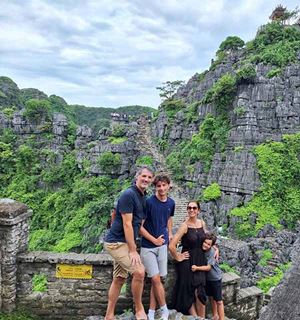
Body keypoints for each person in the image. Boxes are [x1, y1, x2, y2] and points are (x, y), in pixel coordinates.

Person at [104, 166, 154, 320]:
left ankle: (109, 315)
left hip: (125, 243)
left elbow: (138, 225)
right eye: (143, 176)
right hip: (116, 243)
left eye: (149, 177)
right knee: (139, 272)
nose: (146, 179)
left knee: (119, 278)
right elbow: (127, 224)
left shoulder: (143, 198)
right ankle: (139, 309)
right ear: (137, 177)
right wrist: (132, 250)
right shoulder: (128, 194)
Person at [139, 174, 175, 320]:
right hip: (148, 247)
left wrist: (170, 233)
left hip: (162, 246)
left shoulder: (171, 203)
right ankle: (164, 309)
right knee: (155, 279)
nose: (161, 188)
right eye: (158, 186)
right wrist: (154, 240)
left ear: (168, 186)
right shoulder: (148, 203)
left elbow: (169, 219)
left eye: (163, 185)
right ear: (155, 187)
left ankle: (152, 312)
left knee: (159, 279)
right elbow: (139, 227)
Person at [168, 200, 208, 319]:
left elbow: (207, 239)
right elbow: (171, 245)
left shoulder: (202, 223)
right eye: (189, 208)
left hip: (200, 260)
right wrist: (178, 257)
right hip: (187, 262)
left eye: (194, 208)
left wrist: (215, 248)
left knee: (200, 291)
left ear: (198, 210)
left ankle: (201, 318)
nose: (191, 210)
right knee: (188, 290)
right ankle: (196, 318)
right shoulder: (184, 226)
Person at [191, 232, 224, 320]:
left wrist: (197, 268)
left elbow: (208, 268)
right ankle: (215, 315)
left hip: (215, 278)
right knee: (211, 298)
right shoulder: (204, 249)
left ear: (212, 245)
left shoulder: (212, 252)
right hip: (208, 279)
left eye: (208, 244)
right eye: (205, 242)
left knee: (219, 301)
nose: (205, 245)